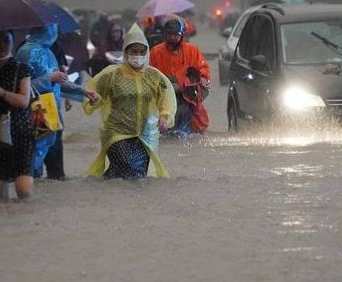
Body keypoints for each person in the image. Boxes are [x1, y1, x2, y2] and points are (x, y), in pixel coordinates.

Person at [83, 23, 176, 179]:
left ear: (147, 52)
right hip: (116, 133)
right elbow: (93, 94)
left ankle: (114, 192)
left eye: (141, 52)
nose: (138, 56)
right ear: (125, 52)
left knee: (136, 176)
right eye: (134, 52)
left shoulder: (154, 76)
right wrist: (93, 101)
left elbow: (165, 99)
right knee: (127, 164)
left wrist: (164, 117)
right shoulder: (111, 74)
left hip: (145, 136)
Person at [15, 24, 98, 179]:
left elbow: (59, 81)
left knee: (56, 172)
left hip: (52, 114)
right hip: (35, 113)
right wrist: (49, 78)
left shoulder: (48, 53)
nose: (54, 32)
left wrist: (83, 91)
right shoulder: (26, 52)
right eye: (52, 28)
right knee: (33, 163)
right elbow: (20, 87)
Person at [0, 30, 34, 200]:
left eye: (6, 40)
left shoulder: (22, 68)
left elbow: (23, 101)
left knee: (24, 193)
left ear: (12, 41)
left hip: (20, 131)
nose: (1, 46)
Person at [149, 15, 211, 136]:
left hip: (186, 95)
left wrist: (202, 79)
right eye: (169, 34)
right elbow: (150, 75)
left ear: (181, 35)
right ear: (164, 35)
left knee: (192, 123)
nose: (172, 37)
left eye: (175, 34)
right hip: (164, 95)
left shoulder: (192, 50)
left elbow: (203, 70)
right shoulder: (156, 52)